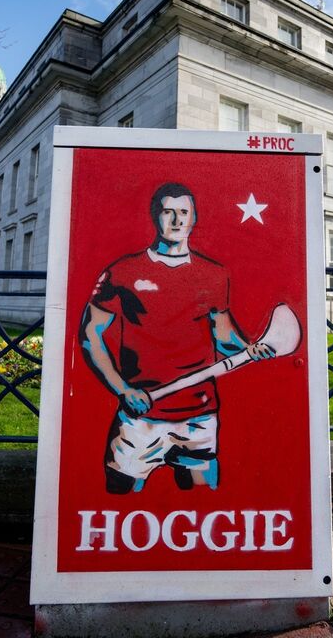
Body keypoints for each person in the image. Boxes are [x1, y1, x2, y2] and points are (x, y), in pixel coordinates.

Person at [80, 182, 273, 494]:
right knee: (119, 498)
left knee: (202, 500)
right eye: (168, 211)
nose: (176, 220)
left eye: (184, 212)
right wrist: (123, 390)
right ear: (155, 216)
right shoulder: (124, 270)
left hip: (199, 416)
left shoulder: (214, 274)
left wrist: (251, 349)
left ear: (193, 218)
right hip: (140, 416)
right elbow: (90, 335)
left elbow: (223, 338)